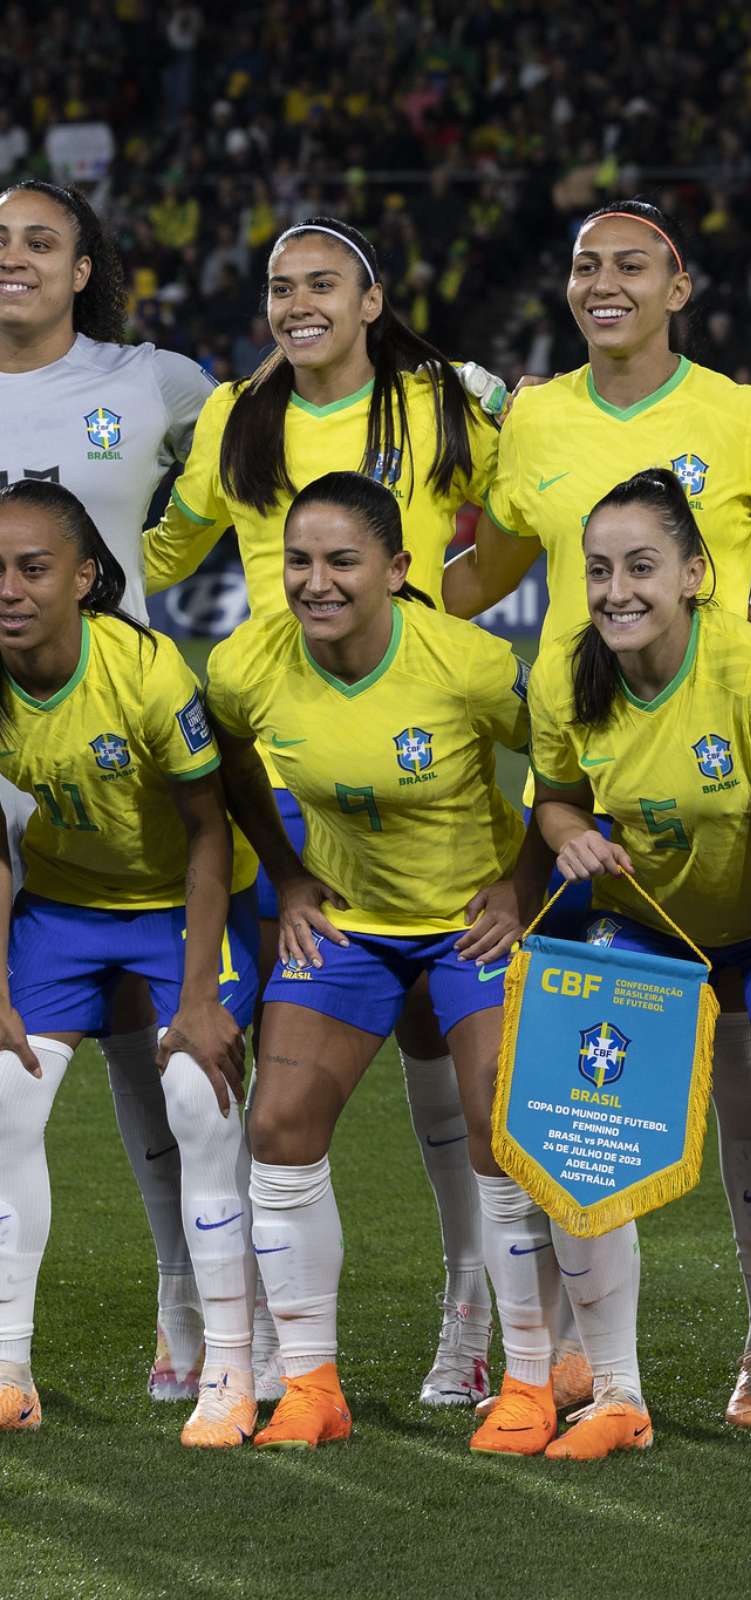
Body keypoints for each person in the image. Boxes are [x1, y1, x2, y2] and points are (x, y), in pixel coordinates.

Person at [444, 197, 751, 1427]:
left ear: (681, 284)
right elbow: (490, 571)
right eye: (581, 266)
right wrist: (366, 596)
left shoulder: (743, 419)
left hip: (723, 786)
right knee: (572, 1103)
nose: (601, 283)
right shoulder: (540, 419)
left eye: (630, 265)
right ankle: (572, 1366)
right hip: (599, 800)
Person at [143, 215, 503, 1409]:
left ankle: (470, 1311)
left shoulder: (442, 406)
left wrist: (449, 605)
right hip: (282, 778)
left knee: (440, 1057)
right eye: (278, 287)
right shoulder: (242, 417)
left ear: (371, 297)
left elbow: (530, 513)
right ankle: (221, 1338)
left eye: (321, 283)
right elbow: (163, 544)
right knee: (254, 1076)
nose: (296, 303)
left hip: (418, 751)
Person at [203, 471, 555, 1452]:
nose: (316, 583)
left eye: (342, 561)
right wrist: (285, 869)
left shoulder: (468, 662)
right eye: (299, 562)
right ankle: (312, 1386)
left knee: (500, 1127)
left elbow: (570, 759)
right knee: (276, 1123)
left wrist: (519, 887)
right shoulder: (248, 664)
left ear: (398, 569)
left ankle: (526, 1379)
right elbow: (228, 755)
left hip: (468, 922)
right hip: (349, 921)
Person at [528, 468, 751, 1460]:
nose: (617, 590)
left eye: (641, 567)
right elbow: (550, 797)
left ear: (694, 575)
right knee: (572, 1116)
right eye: (599, 570)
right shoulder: (562, 675)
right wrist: (569, 833)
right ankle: (617, 1396)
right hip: (649, 927)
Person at [0, 177, 221, 1402]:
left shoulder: (154, 381)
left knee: (156, 1066)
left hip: (128, 757)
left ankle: (188, 1315)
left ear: (86, 266)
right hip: (3, 753)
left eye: (41, 240)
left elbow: (271, 433)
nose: (15, 257)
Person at [0, 480, 259, 1446]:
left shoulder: (149, 675)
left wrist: (197, 997)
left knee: (197, 1097)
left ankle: (227, 1366)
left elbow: (209, 832)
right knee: (3, 1097)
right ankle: (9, 1369)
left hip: (175, 907)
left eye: (33, 569)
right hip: (62, 910)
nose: (10, 590)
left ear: (86, 578)